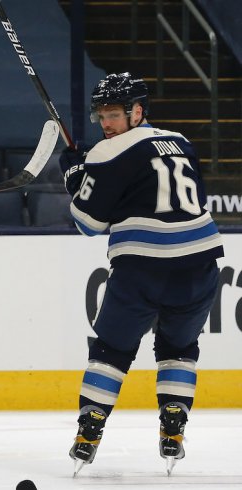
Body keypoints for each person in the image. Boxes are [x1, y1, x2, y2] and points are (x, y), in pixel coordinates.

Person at [59, 73, 223, 475]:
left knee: (111, 350)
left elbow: (88, 224)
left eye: (114, 114)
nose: (106, 124)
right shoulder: (181, 142)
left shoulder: (105, 151)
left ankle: (89, 429)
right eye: (101, 116)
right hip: (201, 265)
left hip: (143, 268)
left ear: (137, 111)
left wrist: (74, 176)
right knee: (179, 348)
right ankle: (173, 425)